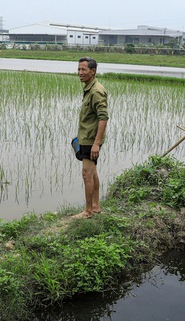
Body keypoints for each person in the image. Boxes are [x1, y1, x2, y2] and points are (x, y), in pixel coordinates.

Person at [73, 57, 108, 219]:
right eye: (79, 69)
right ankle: (95, 206)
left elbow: (103, 118)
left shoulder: (96, 91)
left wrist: (96, 144)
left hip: (90, 140)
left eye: (83, 70)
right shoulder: (90, 87)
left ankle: (87, 212)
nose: (80, 73)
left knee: (87, 174)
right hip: (86, 137)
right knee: (93, 173)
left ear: (92, 71)